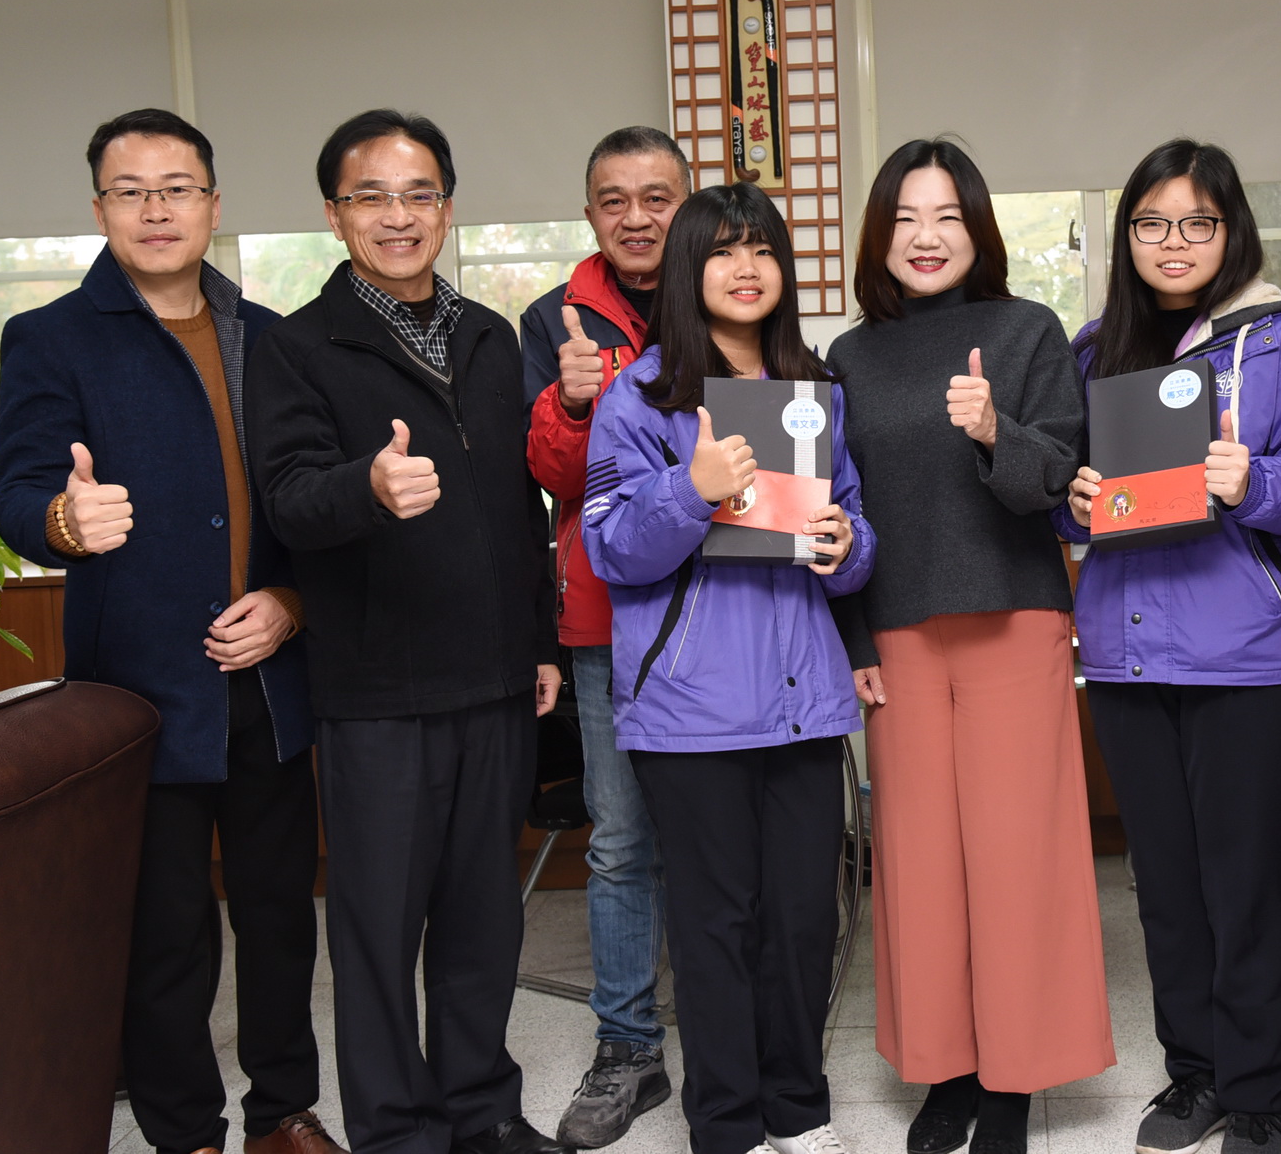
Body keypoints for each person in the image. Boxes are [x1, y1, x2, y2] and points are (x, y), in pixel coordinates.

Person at [0, 109, 341, 1154]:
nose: (156, 209)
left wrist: (293, 605)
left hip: (269, 683)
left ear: (213, 204)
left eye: (177, 187)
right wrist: (62, 518)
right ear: (100, 208)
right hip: (138, 693)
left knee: (281, 921)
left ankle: (282, 1113)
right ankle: (185, 1130)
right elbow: (18, 493)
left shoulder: (273, 337)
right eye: (130, 190)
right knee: (165, 934)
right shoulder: (47, 337)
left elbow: (313, 509)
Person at [247, 110, 566, 1154]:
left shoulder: (485, 335)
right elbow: (290, 501)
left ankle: (480, 1109)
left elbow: (526, 512)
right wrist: (368, 487)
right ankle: (397, 1132)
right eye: (371, 196)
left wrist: (542, 647)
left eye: (417, 193)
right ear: (335, 214)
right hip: (377, 691)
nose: (397, 215)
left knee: (484, 923)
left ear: (446, 206)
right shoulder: (296, 346)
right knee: (380, 934)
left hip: (492, 682)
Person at [1056, 140, 1281, 1154]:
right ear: (1126, 236)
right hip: (1125, 653)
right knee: (1167, 887)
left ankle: (1258, 1091)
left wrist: (1252, 481)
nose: (1173, 242)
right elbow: (1062, 502)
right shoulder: (1096, 350)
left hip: (1246, 657)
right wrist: (1073, 502)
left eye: (1196, 222)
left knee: (1247, 888)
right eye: (1151, 223)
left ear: (1229, 231)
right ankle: (1191, 1075)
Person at [828, 138, 1114, 1154]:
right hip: (896, 632)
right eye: (904, 218)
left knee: (1014, 856)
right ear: (879, 234)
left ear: (976, 228)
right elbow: (835, 510)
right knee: (914, 862)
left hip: (1012, 616)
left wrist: (996, 429)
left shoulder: (1024, 329)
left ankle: (1012, 1078)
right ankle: (943, 1070)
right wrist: (850, 632)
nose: (925, 236)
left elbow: (1064, 483)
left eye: (945, 216)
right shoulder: (850, 356)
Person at [582, 182, 873, 1154]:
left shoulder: (816, 390)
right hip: (689, 709)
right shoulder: (643, 395)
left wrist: (844, 544)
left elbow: (856, 544)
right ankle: (728, 1124)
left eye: (762, 250)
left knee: (801, 922)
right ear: (685, 270)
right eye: (721, 251)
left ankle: (796, 1111)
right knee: (714, 928)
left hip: (801, 703)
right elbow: (611, 547)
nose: (745, 268)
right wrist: (691, 489)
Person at [521, 126, 689, 1148]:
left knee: (724, 838)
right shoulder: (554, 320)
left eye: (655, 197)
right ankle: (627, 1048)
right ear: (590, 213)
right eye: (613, 199)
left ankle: (742, 1032)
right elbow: (546, 476)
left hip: (725, 610)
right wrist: (573, 402)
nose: (634, 217)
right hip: (604, 622)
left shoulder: (730, 291)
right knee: (622, 842)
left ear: (686, 203)